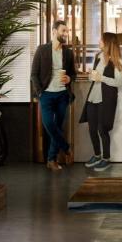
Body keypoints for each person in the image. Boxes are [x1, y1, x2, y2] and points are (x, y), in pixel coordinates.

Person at [31, 20, 77, 172]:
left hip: (63, 94)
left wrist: (70, 78)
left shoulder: (68, 53)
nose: (66, 34)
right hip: (46, 95)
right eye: (63, 30)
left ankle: (51, 159)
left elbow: (73, 74)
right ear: (54, 31)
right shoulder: (42, 50)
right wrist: (40, 93)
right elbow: (34, 74)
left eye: (67, 31)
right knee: (49, 124)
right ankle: (66, 147)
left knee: (57, 126)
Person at [80, 32, 122, 171]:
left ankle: (106, 158)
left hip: (106, 99)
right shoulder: (98, 56)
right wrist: (91, 76)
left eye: (101, 39)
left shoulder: (117, 60)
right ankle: (97, 155)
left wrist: (101, 78)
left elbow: (118, 82)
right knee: (92, 129)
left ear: (108, 42)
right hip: (93, 97)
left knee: (102, 129)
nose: (99, 41)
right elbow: (94, 76)